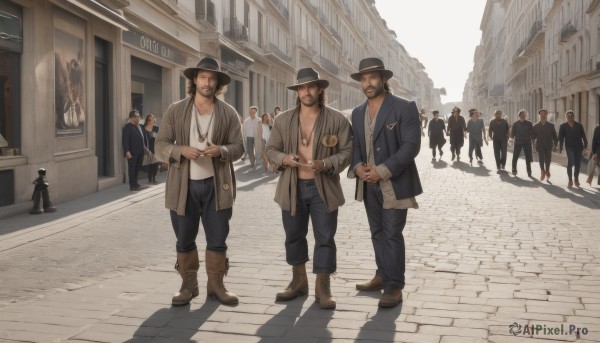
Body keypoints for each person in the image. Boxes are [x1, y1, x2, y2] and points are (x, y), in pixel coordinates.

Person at [155, 56, 244, 306]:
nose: (207, 82)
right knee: (184, 238)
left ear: (218, 83)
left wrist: (222, 151)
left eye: (212, 78)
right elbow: (159, 145)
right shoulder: (176, 110)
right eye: (203, 77)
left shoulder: (228, 113)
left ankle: (216, 285)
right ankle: (188, 286)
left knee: (218, 238)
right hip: (183, 187)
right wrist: (181, 150)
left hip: (217, 187)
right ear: (194, 80)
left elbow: (239, 147)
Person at [265, 67, 352, 310]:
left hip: (323, 188)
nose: (307, 91)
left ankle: (323, 286)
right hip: (291, 188)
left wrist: (326, 163)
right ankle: (298, 281)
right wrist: (284, 159)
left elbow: (347, 152)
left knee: (325, 238)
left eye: (311, 86)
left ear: (320, 89)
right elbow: (270, 150)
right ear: (297, 91)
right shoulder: (283, 120)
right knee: (293, 236)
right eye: (302, 87)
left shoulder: (337, 119)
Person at [348, 57, 422, 308]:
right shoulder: (357, 113)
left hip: (394, 183)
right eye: (364, 79)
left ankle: (394, 286)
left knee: (392, 234)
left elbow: (411, 147)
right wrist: (358, 167)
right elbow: (355, 146)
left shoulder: (404, 107)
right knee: (377, 233)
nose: (368, 83)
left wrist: (382, 170)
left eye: (373, 78)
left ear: (383, 80)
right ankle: (381, 275)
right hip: (368, 184)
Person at [558, 110, 588, 187]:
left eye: (571, 116)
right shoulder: (563, 126)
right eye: (569, 116)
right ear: (566, 117)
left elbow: (584, 136)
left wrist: (585, 146)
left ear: (574, 117)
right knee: (571, 161)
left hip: (579, 147)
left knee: (577, 164)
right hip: (569, 147)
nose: (570, 118)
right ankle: (570, 180)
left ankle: (576, 179)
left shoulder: (579, 125)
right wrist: (560, 147)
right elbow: (560, 138)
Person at [122, 110, 148, 191]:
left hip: (140, 151)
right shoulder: (127, 128)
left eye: (138, 117)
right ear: (131, 118)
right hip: (132, 152)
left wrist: (145, 148)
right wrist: (127, 151)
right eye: (136, 117)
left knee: (138, 168)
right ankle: (132, 185)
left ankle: (136, 183)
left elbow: (143, 138)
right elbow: (125, 140)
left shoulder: (139, 126)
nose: (138, 118)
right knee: (132, 169)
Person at [532, 109, 558, 181]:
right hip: (540, 145)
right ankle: (542, 171)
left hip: (549, 145)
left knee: (548, 159)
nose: (543, 115)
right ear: (539, 115)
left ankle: (547, 170)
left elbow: (555, 136)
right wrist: (533, 145)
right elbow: (533, 137)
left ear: (547, 115)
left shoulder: (551, 125)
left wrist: (555, 145)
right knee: (541, 158)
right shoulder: (536, 126)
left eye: (545, 114)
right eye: (541, 114)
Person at [510, 109, 534, 177]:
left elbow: (532, 133)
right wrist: (511, 140)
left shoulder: (529, 123)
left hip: (527, 142)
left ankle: (529, 170)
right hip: (518, 142)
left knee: (528, 157)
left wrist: (533, 141)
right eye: (522, 115)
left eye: (524, 115)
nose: (523, 116)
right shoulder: (515, 124)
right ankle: (514, 169)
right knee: (515, 156)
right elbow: (512, 133)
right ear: (519, 116)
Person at [242, 105, 262, 169]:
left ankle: (258, 162)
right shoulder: (246, 121)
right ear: (249, 112)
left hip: (257, 137)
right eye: (252, 112)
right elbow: (244, 130)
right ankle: (252, 162)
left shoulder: (259, 120)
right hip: (249, 137)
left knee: (257, 150)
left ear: (256, 112)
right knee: (250, 151)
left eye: (254, 112)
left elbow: (261, 129)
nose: (253, 113)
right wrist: (244, 137)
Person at [144, 114, 160, 184]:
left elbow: (160, 136)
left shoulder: (156, 128)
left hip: (156, 148)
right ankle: (150, 178)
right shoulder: (144, 129)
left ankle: (154, 176)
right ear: (147, 120)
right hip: (148, 148)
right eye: (150, 119)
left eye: (152, 119)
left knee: (156, 164)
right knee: (150, 164)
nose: (151, 120)